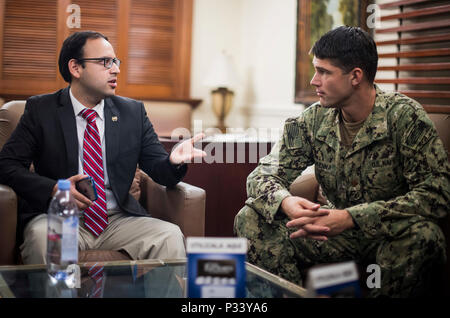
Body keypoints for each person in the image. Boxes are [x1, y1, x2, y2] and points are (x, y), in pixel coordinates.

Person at [234, 26, 450, 297]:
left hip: (386, 234)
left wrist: (351, 217)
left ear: (355, 76)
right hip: (331, 235)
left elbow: (437, 195)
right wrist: (287, 202)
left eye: (324, 72)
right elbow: (261, 175)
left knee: (424, 235)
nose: (314, 81)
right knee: (251, 217)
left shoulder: (405, 118)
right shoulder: (312, 120)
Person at [0, 31, 206, 265]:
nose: (116, 69)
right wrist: (54, 188)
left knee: (169, 236)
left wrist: (173, 161)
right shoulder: (41, 110)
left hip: (118, 219)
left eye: (116, 62)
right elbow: (6, 166)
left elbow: (161, 172)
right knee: (43, 239)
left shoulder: (132, 113)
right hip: (60, 217)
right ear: (76, 68)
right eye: (105, 62)